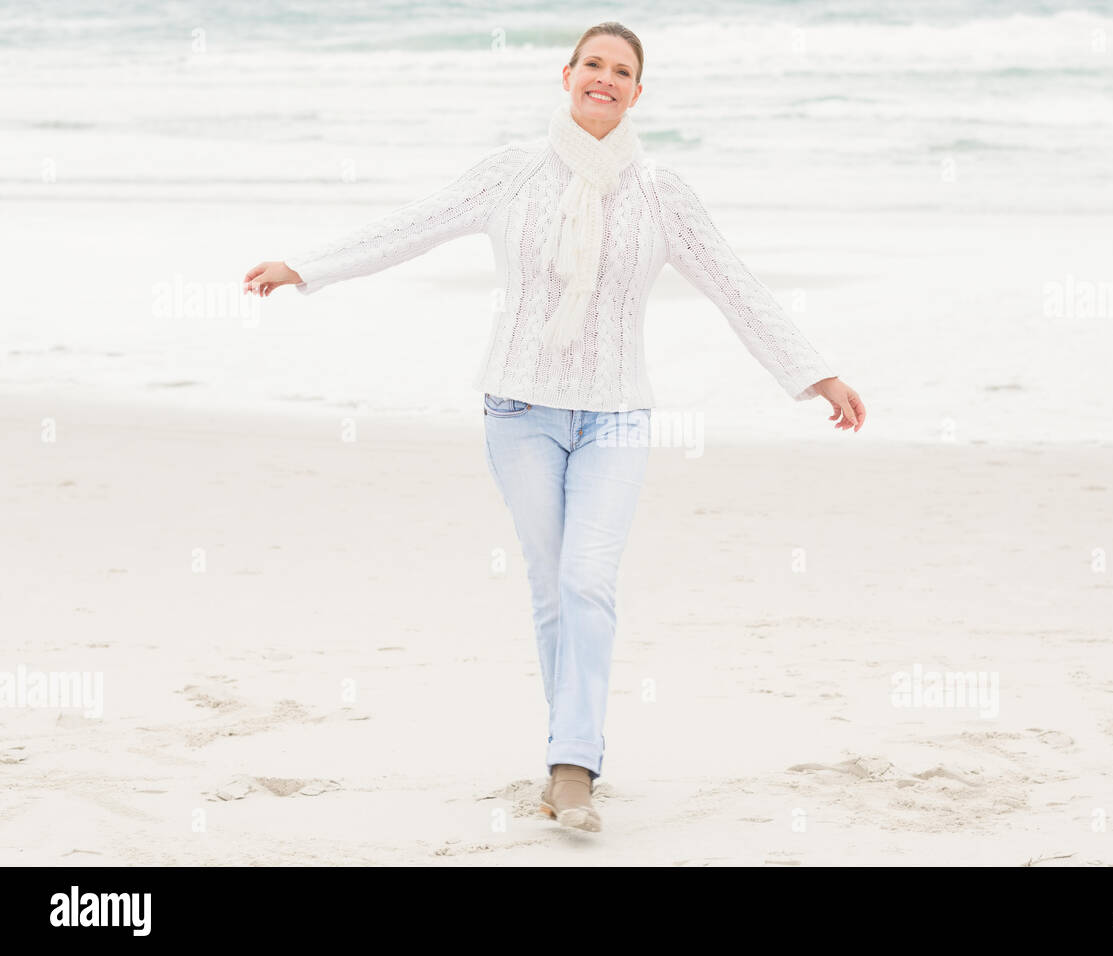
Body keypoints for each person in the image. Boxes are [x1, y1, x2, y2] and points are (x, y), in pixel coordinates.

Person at [243, 21, 864, 833]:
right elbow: (413, 225)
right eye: (593, 65)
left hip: (617, 418)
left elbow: (735, 286)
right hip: (519, 411)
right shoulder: (513, 175)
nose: (605, 79)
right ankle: (568, 754)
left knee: (587, 581)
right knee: (550, 589)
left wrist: (813, 372)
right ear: (566, 75)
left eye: (623, 71)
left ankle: (574, 768)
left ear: (639, 93)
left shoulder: (662, 193)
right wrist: (308, 268)